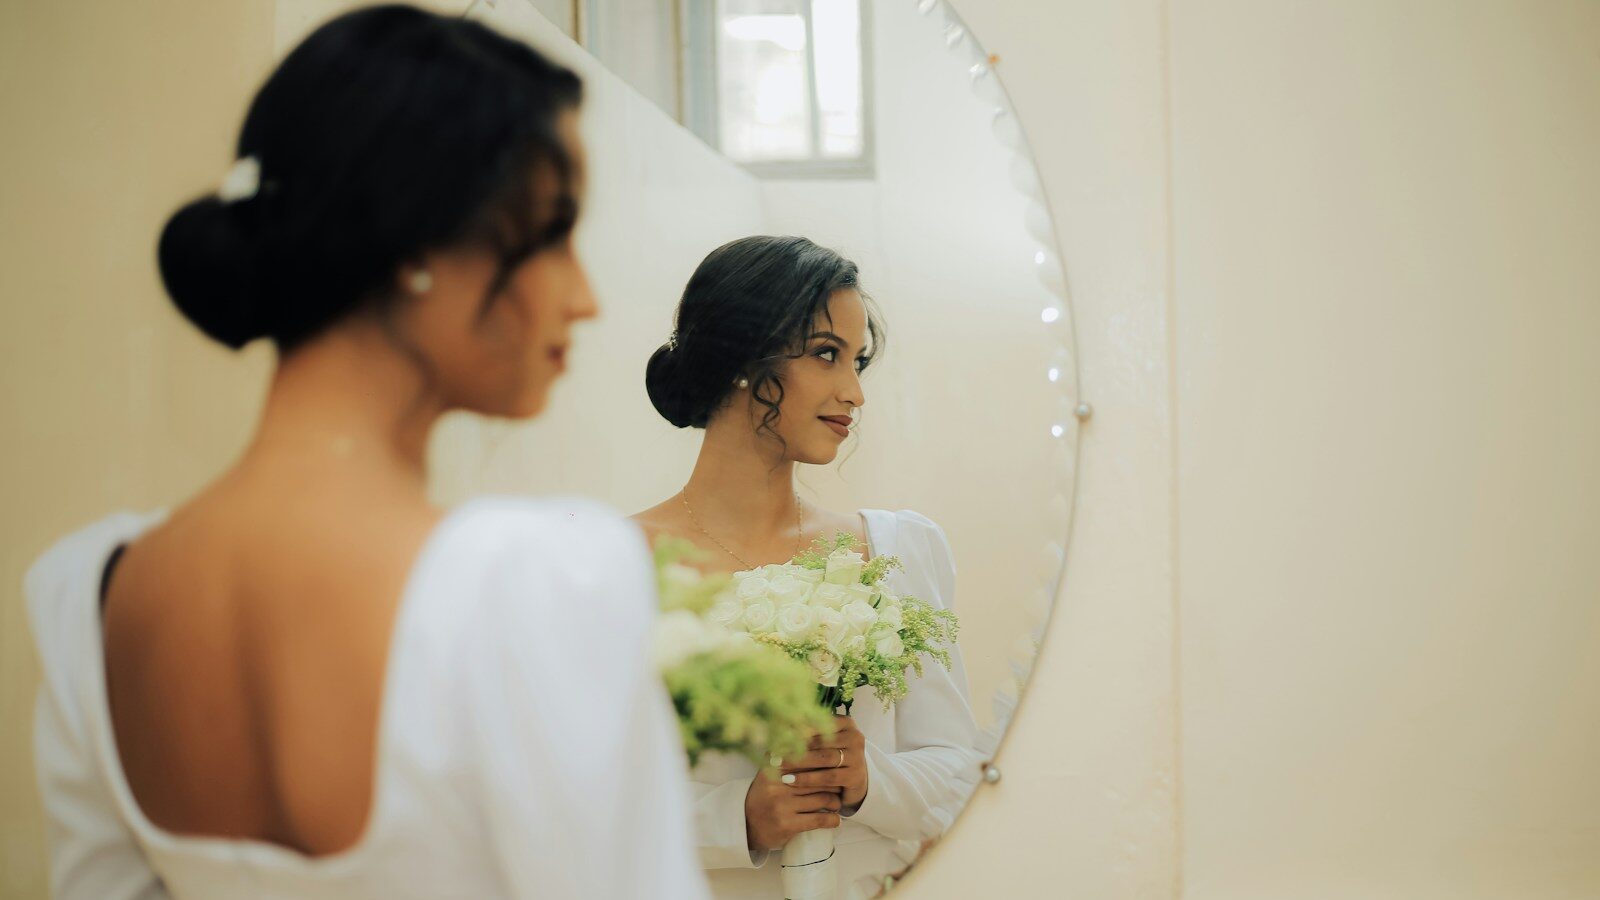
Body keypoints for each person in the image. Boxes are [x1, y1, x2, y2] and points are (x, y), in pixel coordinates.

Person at [24, 7, 706, 898]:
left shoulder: (92, 594)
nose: (584, 298)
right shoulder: (530, 582)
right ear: (418, 246)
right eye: (554, 232)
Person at [632, 236, 981, 899]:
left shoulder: (899, 551)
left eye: (858, 361)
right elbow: (577, 804)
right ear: (742, 355)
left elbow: (959, 774)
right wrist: (736, 819)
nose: (855, 392)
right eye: (826, 354)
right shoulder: (618, 564)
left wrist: (867, 779)